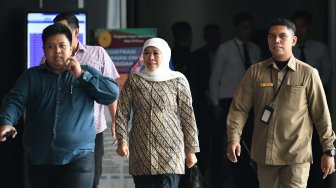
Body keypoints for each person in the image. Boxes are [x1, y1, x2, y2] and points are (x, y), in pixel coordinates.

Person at [0, 23, 119, 188]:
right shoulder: (31, 76)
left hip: (78, 157)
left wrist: (82, 76)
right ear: (44, 50)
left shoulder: (86, 72)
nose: (57, 51)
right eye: (51, 46)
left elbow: (112, 93)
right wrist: (7, 121)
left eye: (62, 46)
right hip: (38, 158)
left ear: (71, 48)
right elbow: (14, 100)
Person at [226, 18, 336, 188]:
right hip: (265, 156)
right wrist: (234, 138)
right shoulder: (255, 72)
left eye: (282, 36)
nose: (276, 41)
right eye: (271, 36)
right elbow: (239, 109)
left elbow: (321, 115)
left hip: (296, 157)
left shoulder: (308, 74)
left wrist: (328, 150)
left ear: (293, 40)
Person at [115, 37, 200, 188]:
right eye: (146, 53)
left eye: (156, 53)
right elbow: (122, 113)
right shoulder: (135, 80)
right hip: (141, 153)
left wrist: (191, 150)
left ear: (165, 55)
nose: (151, 57)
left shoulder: (178, 80)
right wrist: (122, 140)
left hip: (171, 152)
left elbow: (188, 117)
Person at [51, 13, 120, 188]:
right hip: (59, 134)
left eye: (63, 29)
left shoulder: (97, 53)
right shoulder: (50, 58)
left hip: (92, 132)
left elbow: (110, 89)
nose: (58, 33)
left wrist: (115, 121)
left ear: (76, 32)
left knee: (92, 182)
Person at [209, 12, 261, 188]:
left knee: (250, 139)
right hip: (228, 100)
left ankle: (249, 177)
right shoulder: (225, 48)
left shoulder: (255, 49)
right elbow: (215, 77)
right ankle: (233, 178)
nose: (248, 31)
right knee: (231, 139)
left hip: (252, 101)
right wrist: (215, 103)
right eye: (244, 28)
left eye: (250, 28)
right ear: (235, 28)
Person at [189, 23, 221, 181]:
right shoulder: (197, 55)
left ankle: (217, 179)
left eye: (218, 35)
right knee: (202, 143)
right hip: (201, 106)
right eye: (212, 35)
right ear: (206, 37)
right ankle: (199, 179)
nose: (215, 38)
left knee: (220, 143)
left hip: (221, 105)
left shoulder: (224, 53)